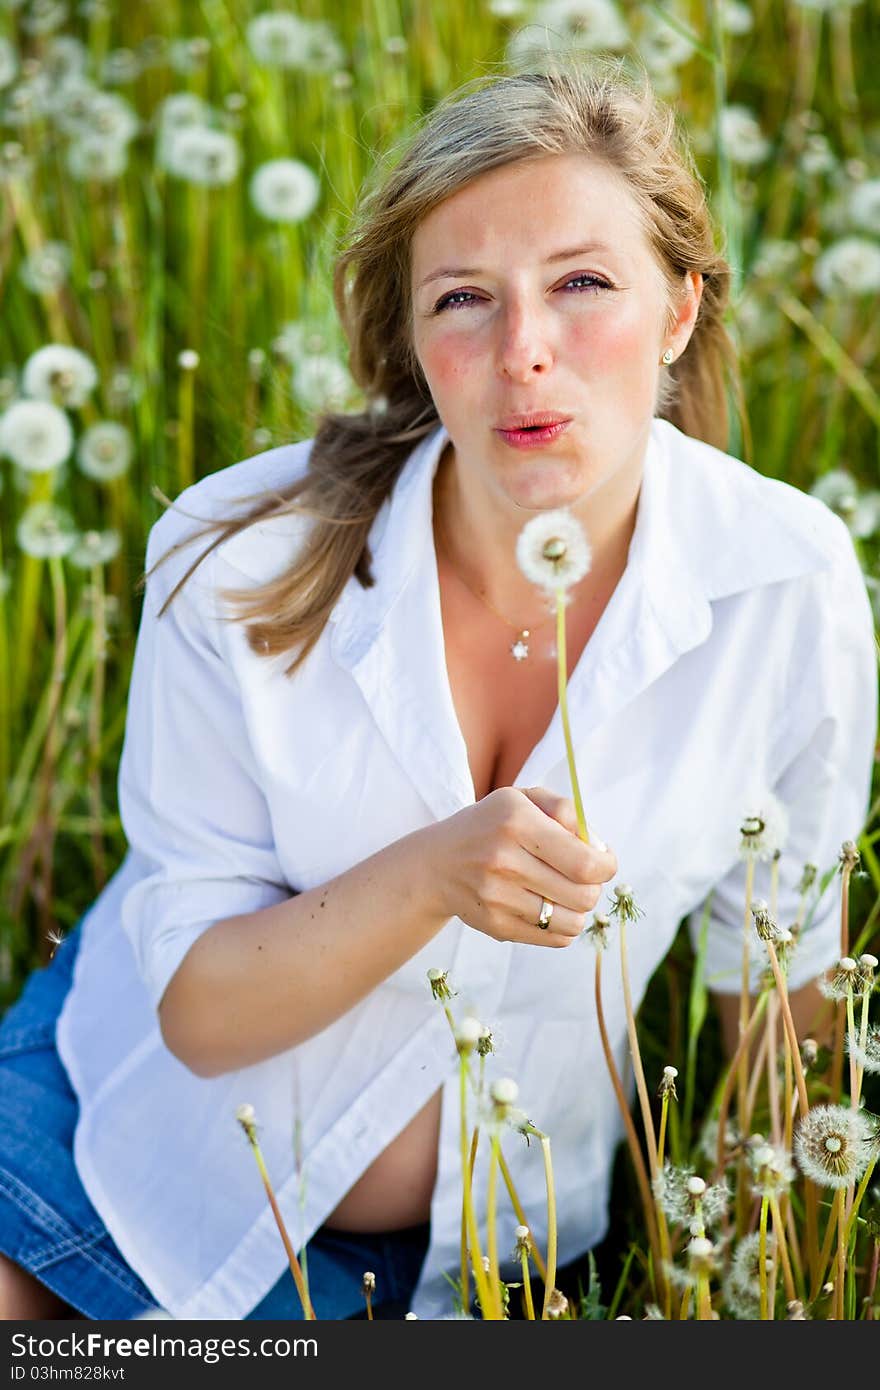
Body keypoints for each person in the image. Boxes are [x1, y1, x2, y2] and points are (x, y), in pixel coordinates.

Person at [0, 58, 875, 1322]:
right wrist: (431, 873)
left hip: (481, 1262)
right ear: (414, 342)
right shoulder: (240, 553)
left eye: (582, 284)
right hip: (138, 1159)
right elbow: (194, 1009)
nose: (525, 354)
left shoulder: (785, 586)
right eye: (464, 299)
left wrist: (795, 1260)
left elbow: (782, 974)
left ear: (680, 308)